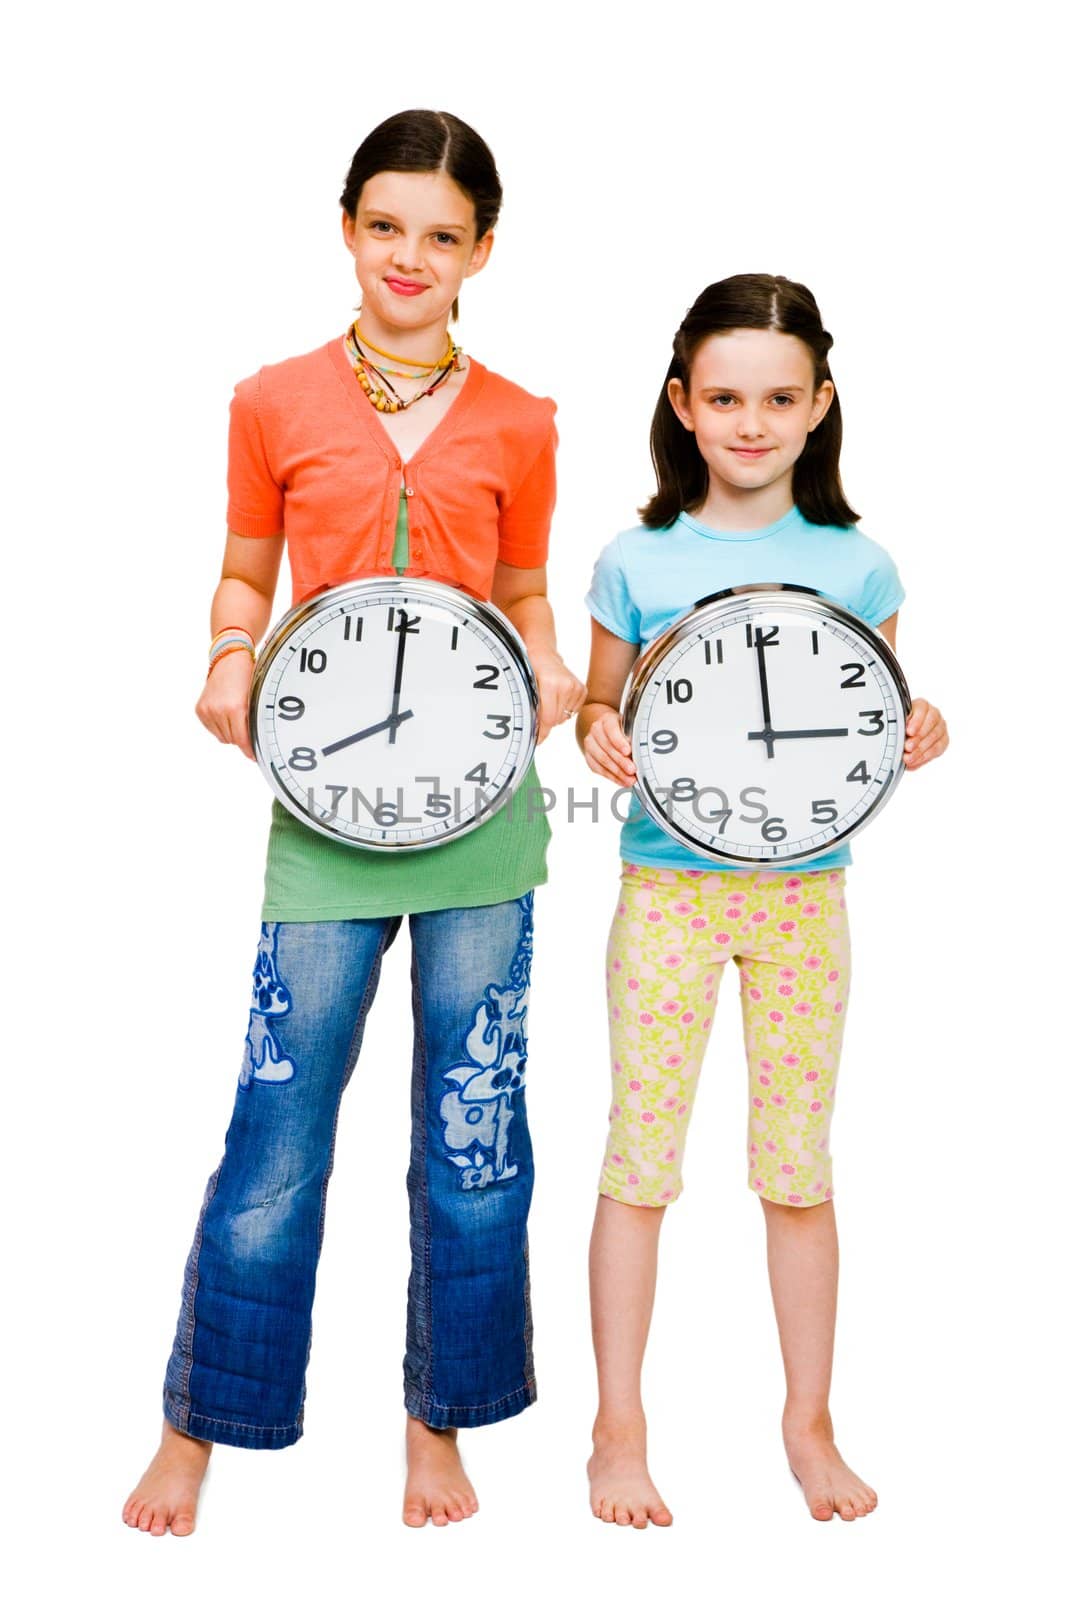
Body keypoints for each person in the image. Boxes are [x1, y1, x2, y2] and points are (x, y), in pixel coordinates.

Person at [123, 108, 585, 1537]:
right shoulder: (271, 400)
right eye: (386, 225)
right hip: (324, 818)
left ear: (481, 253)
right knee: (276, 1123)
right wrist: (221, 658)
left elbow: (517, 596)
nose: (410, 255)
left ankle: (433, 1426)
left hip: (484, 826)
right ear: (346, 228)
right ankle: (203, 1421)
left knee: (470, 1128)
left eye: (441, 234)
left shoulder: (522, 420)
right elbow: (244, 578)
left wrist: (556, 663)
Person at [577, 274, 948, 1528]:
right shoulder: (638, 557)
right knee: (640, 1158)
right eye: (724, 396)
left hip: (801, 898)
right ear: (681, 403)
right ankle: (616, 1426)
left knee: (795, 1167)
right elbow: (599, 701)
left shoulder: (856, 560)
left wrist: (919, 722)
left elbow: (872, 706)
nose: (750, 421)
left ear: (817, 405)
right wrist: (594, 733)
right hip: (669, 889)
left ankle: (808, 1420)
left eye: (778, 398)